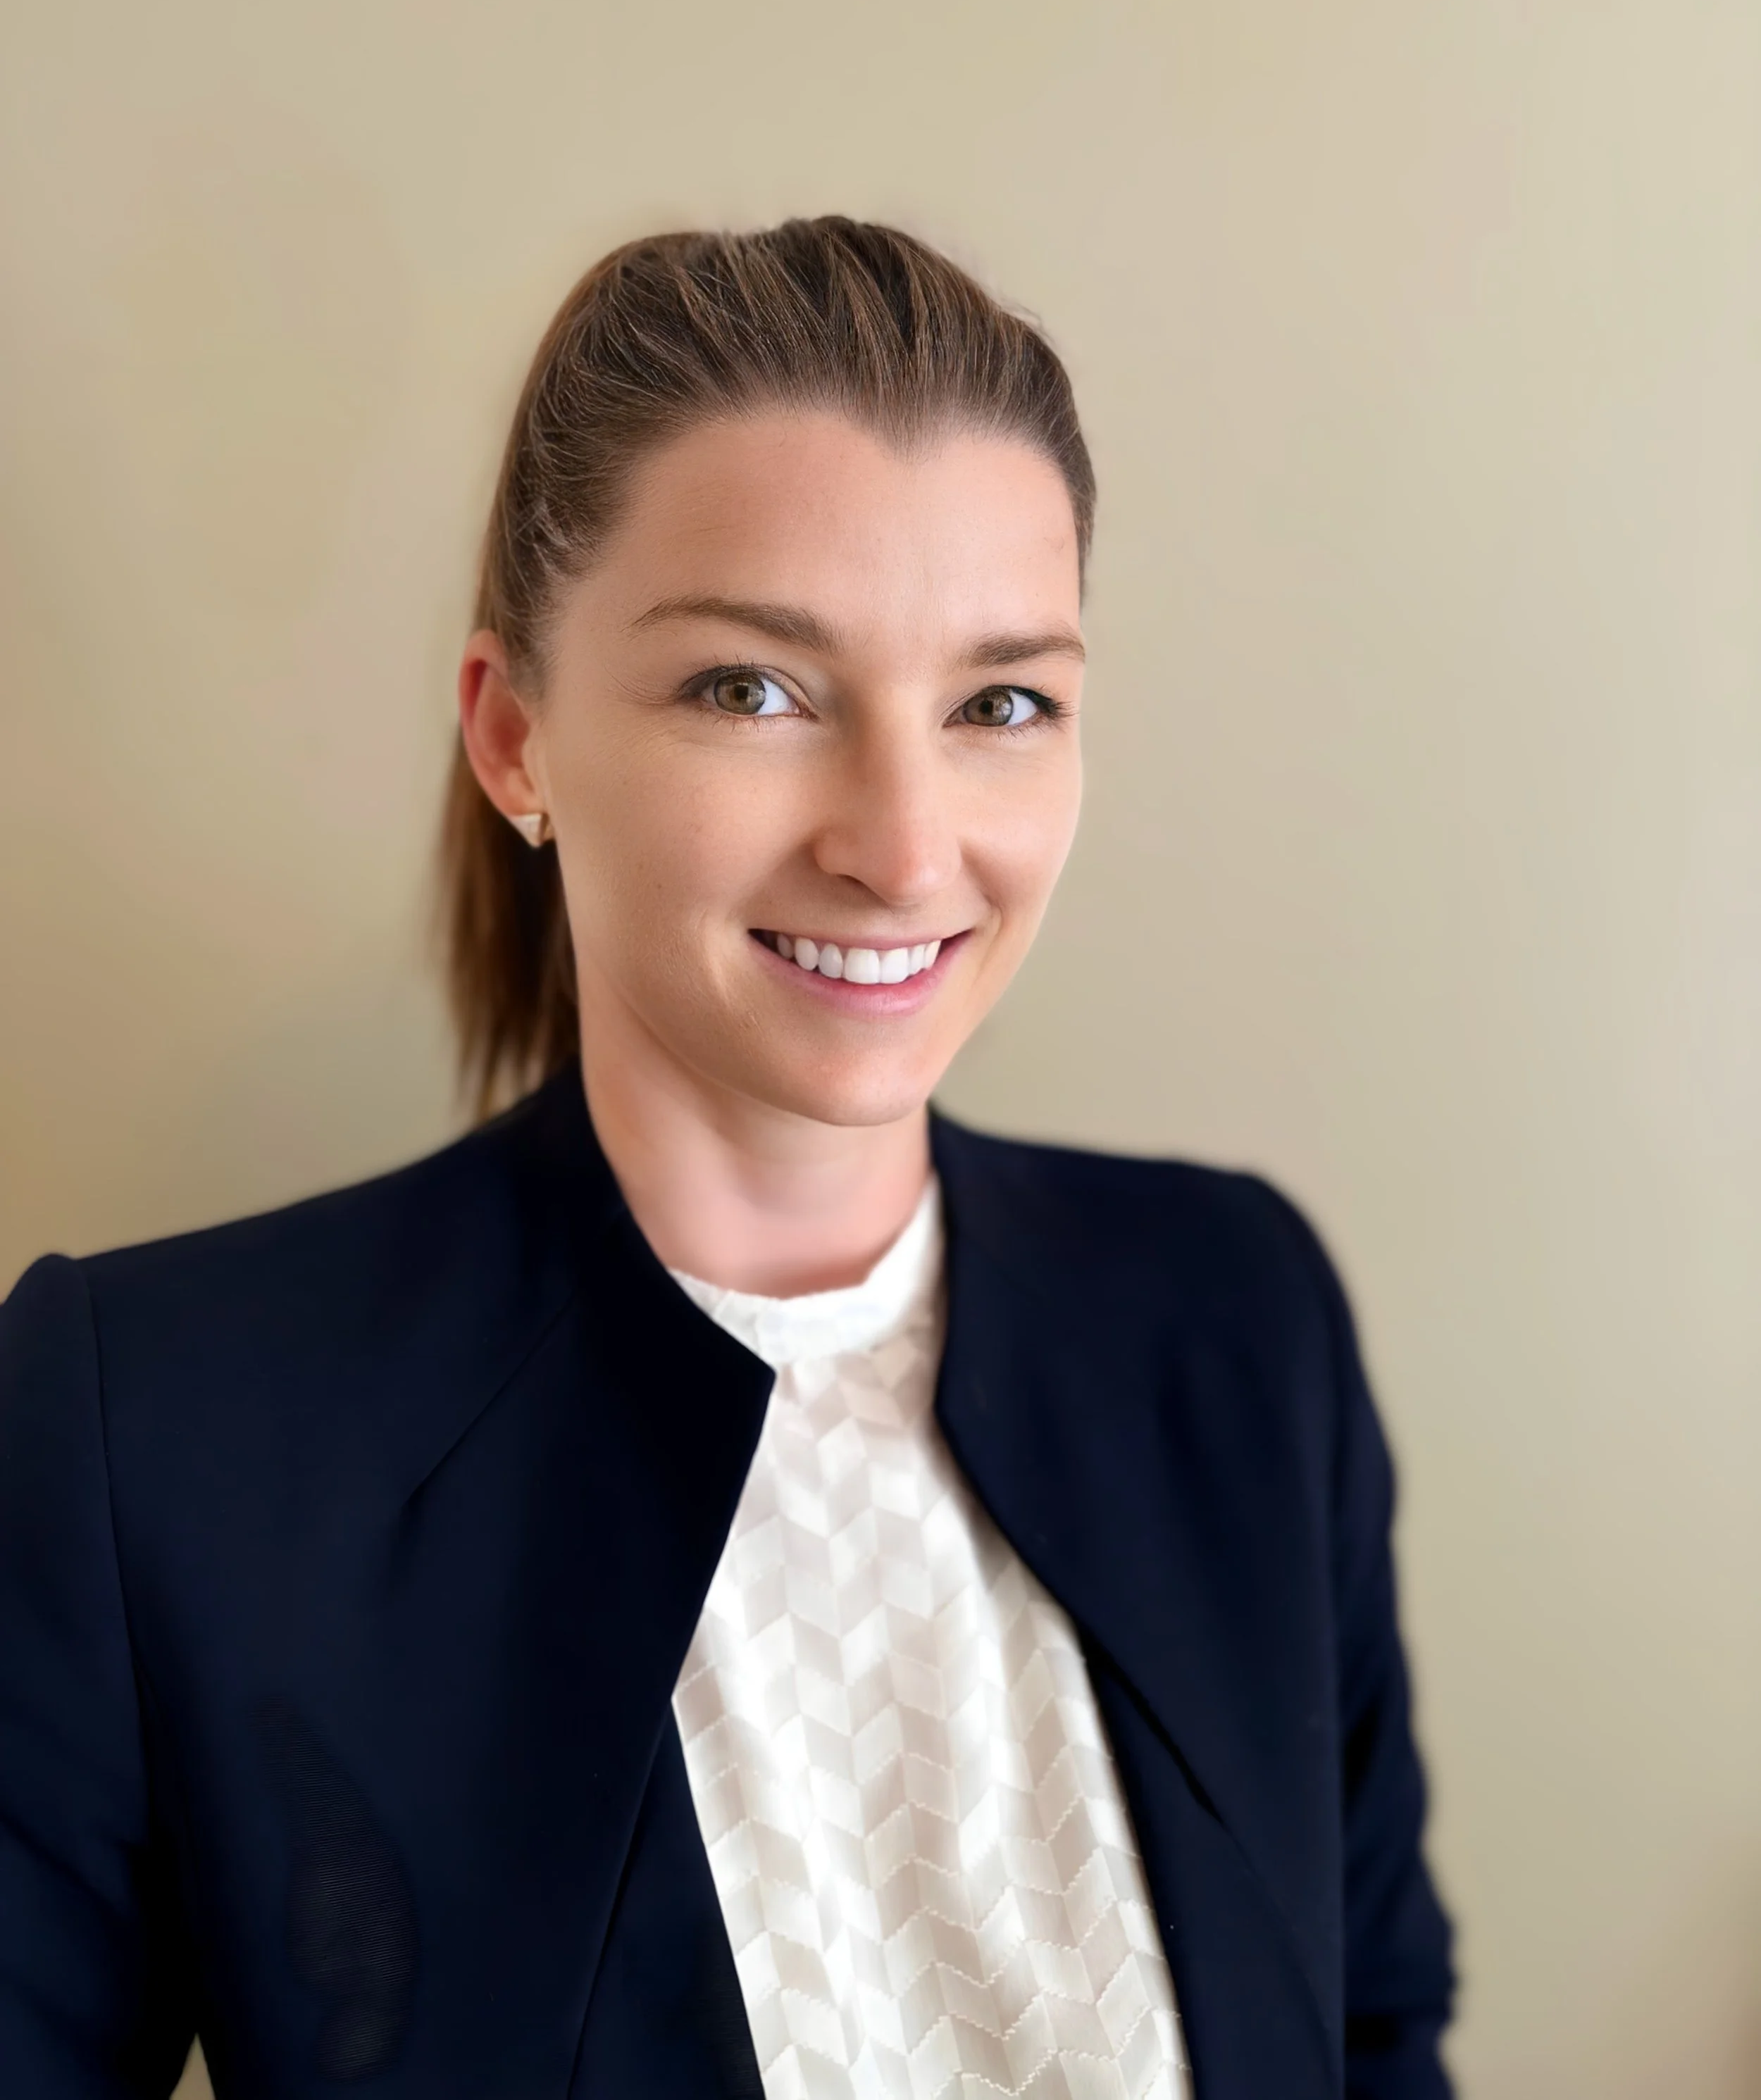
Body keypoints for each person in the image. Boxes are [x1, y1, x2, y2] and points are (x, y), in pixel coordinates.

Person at [0, 218, 1455, 2100]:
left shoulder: (1237, 1320)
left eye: (999, 700)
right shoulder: (160, 1432)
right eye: (753, 690)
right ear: (515, 735)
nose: (904, 845)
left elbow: (1374, 2038)